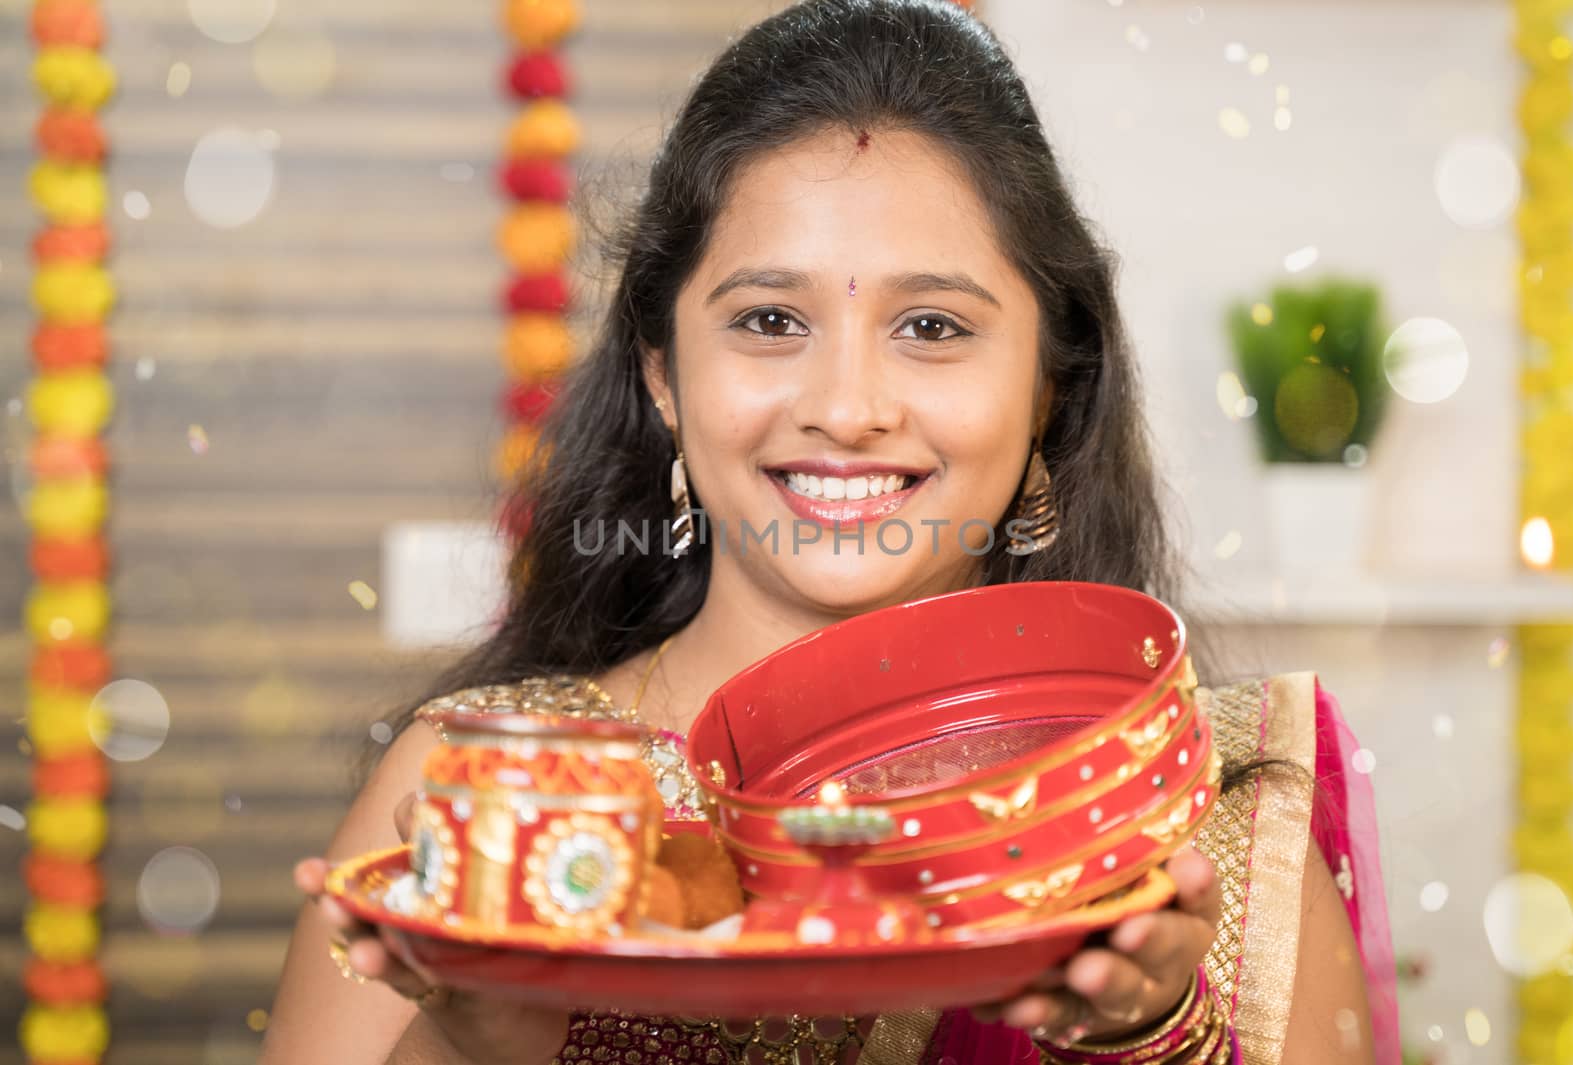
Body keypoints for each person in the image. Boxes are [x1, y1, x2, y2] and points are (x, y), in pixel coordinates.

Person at [259, 1, 1398, 1062]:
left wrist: (1154, 1032)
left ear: (1052, 386)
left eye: (932, 325)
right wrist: (478, 1040)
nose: (847, 408)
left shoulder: (1193, 832)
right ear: (662, 374)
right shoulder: (496, 802)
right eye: (768, 320)